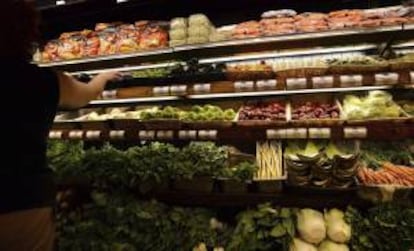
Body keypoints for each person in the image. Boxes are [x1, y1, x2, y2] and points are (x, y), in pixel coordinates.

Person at [0, 1, 121, 250]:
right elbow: (84, 94)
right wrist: (102, 78)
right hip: (24, 204)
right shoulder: (44, 81)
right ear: (27, 31)